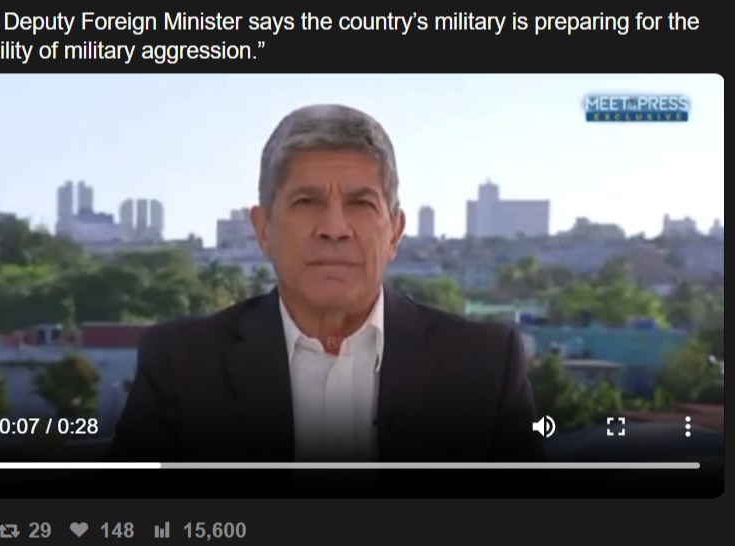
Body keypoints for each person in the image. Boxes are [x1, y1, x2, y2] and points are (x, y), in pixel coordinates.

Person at [108, 104, 544, 463]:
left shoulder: (486, 365)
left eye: (360, 203)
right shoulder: (181, 365)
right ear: (263, 230)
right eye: (306, 201)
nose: (334, 228)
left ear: (394, 232)